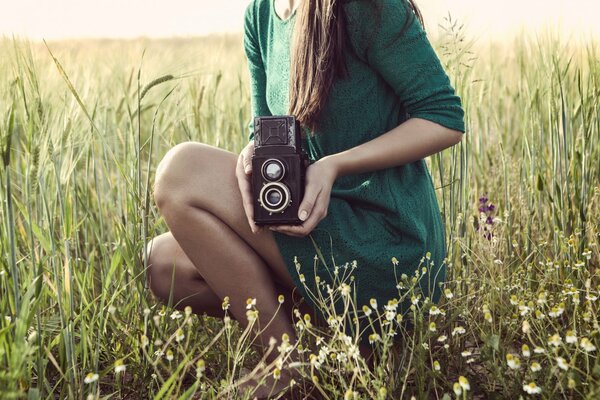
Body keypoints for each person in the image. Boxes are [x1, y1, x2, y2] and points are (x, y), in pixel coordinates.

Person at [146, 0, 465, 397]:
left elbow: (444, 117)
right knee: (165, 264)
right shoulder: (260, 15)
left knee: (182, 170)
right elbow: (266, 128)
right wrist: (253, 156)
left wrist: (334, 166)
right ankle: (341, 349)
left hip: (385, 237)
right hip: (312, 222)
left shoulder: (365, 7)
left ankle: (284, 368)